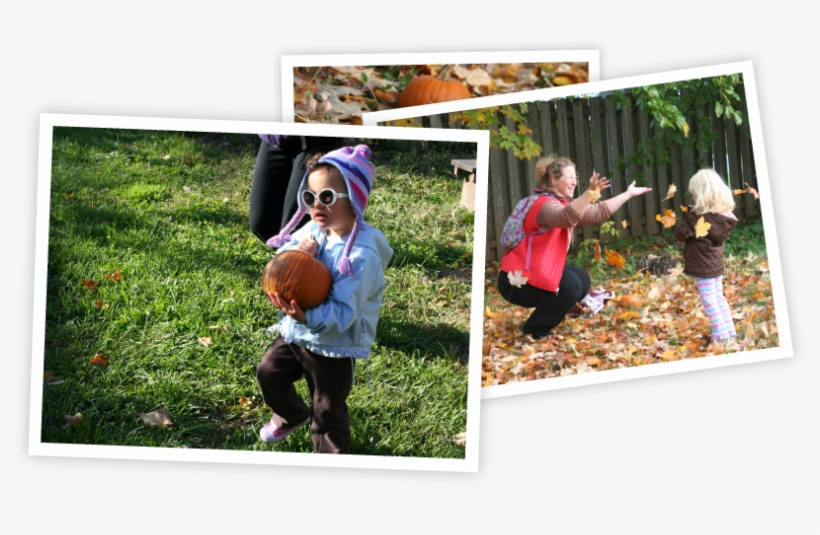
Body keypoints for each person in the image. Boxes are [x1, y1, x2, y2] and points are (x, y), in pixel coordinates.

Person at [255, 144, 393, 454]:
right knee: (268, 373)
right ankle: (292, 414)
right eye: (310, 197)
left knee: (327, 410)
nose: (317, 205)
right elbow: (283, 256)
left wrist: (306, 317)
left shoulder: (360, 256)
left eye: (328, 197)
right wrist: (295, 253)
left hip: (333, 347)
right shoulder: (316, 229)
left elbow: (343, 312)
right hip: (296, 333)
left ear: (356, 199)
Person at [497, 155, 652, 339]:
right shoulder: (543, 206)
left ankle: (551, 311)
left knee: (582, 279)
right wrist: (589, 192)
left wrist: (628, 194)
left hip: (531, 273)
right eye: (570, 178)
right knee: (572, 286)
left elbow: (596, 212)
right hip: (516, 282)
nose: (574, 182)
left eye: (575, 177)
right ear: (554, 180)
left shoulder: (561, 204)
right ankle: (536, 329)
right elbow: (566, 217)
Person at [674, 169, 738, 348]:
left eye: (695, 196)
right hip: (714, 264)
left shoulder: (699, 219)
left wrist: (689, 215)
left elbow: (681, 233)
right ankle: (729, 333)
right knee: (718, 297)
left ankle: (721, 338)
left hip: (703, 265)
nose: (693, 199)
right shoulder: (721, 217)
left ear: (702, 195)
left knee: (709, 300)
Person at [249, 135, 345, 244]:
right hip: (276, 135)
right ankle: (290, 255)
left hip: (317, 136)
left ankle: (306, 257)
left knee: (297, 228)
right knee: (261, 223)